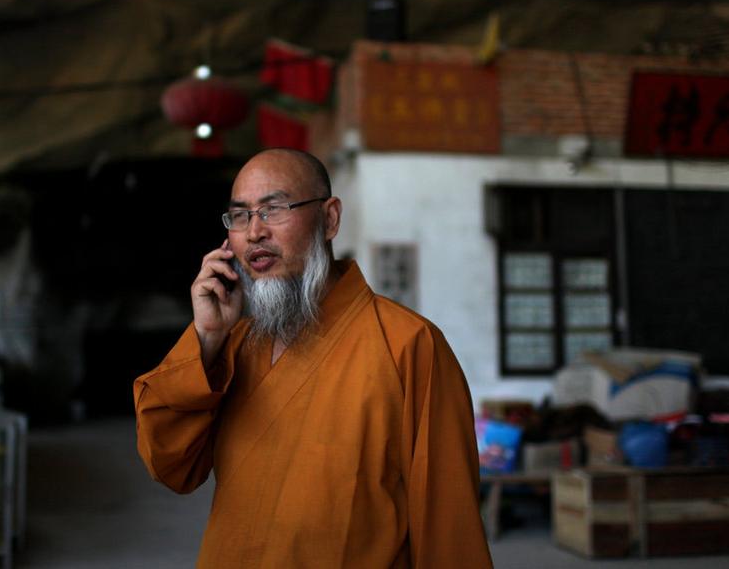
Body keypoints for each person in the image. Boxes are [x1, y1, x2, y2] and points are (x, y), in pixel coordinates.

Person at [134, 149, 493, 568]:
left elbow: (448, 526)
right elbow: (170, 466)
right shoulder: (234, 346)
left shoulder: (409, 345)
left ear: (330, 219)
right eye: (240, 216)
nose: (253, 233)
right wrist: (207, 338)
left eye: (273, 209)